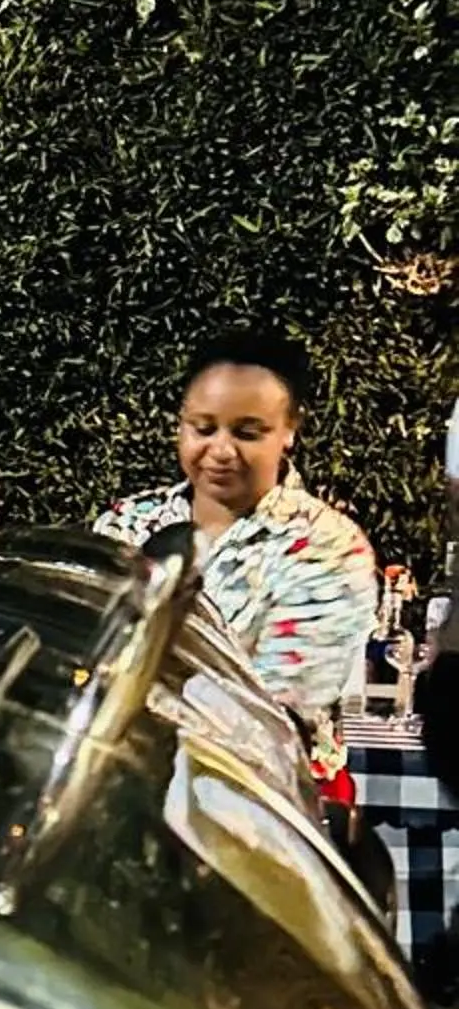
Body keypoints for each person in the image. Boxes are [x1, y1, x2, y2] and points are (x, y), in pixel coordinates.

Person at [95, 330, 377, 796]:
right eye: (203, 428)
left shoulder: (327, 547)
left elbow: (277, 711)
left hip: (262, 803)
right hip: (121, 782)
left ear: (289, 429)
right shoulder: (127, 526)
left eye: (248, 433)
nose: (221, 451)